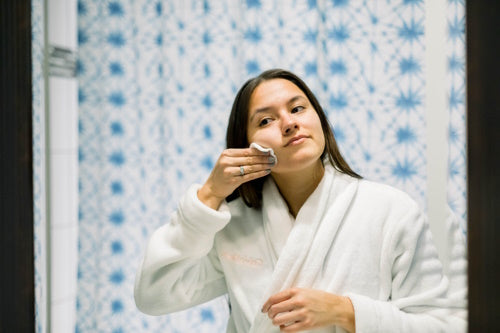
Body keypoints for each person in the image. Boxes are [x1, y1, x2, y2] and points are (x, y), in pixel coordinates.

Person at [134, 69, 467, 332]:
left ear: (318, 118)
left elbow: (447, 326)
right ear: (246, 145)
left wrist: (347, 312)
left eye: (297, 108)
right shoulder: (233, 226)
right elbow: (155, 295)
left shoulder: (392, 212)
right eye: (266, 120)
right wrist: (210, 195)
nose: (290, 123)